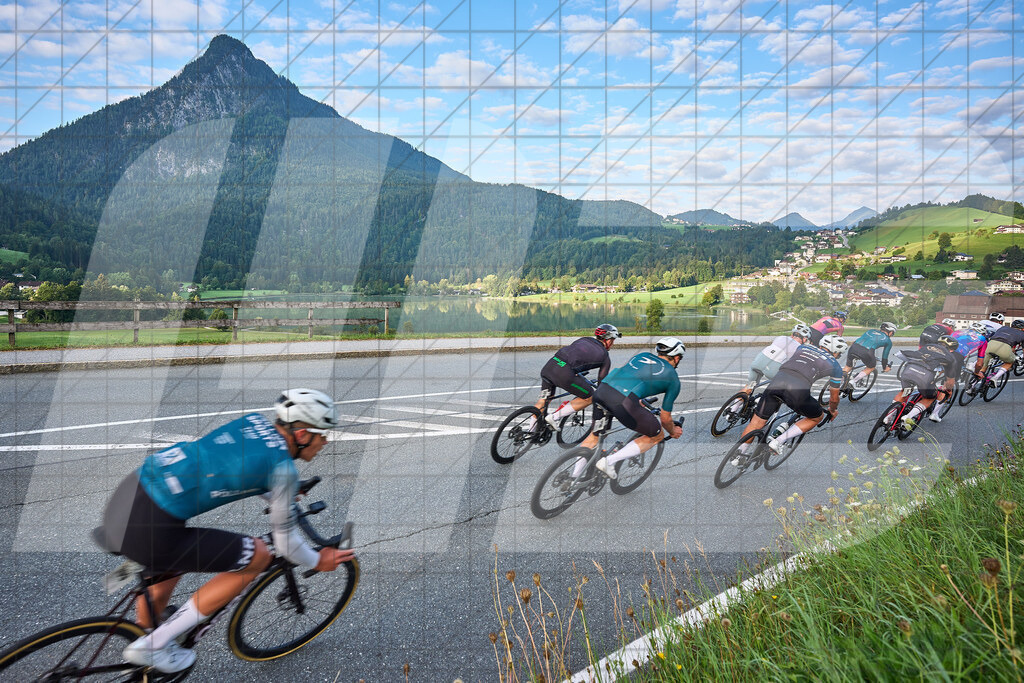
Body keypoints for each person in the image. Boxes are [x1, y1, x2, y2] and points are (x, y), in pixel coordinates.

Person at [101, 389, 353, 673]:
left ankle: (144, 635)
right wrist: (320, 561)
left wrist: (280, 495)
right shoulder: (283, 470)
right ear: (302, 434)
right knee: (257, 555)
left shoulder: (253, 422)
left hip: (130, 496)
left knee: (171, 559)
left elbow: (232, 465)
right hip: (152, 527)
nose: (325, 441)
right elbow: (286, 545)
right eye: (322, 434)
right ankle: (151, 647)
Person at [573, 337, 685, 479]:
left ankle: (574, 478)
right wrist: (673, 431)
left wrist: (636, 399)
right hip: (623, 401)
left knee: (594, 435)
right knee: (657, 435)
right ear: (676, 357)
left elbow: (632, 378)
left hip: (602, 391)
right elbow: (665, 418)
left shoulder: (642, 356)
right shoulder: (674, 379)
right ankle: (609, 461)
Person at [736, 333, 847, 458]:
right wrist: (832, 410)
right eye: (839, 354)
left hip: (776, 383)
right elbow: (833, 398)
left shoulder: (803, 347)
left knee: (756, 423)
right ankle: (778, 441)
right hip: (798, 391)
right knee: (816, 417)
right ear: (836, 352)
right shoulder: (835, 365)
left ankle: (738, 455)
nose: (839, 356)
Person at [532, 324, 621, 430]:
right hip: (564, 373)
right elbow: (602, 382)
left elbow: (575, 356)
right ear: (609, 340)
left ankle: (530, 433)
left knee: (544, 399)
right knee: (589, 397)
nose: (612, 343)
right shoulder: (605, 356)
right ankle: (554, 417)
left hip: (550, 365)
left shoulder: (584, 339)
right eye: (613, 340)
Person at [894, 335, 963, 427]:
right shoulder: (950, 357)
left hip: (908, 370)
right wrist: (948, 390)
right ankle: (908, 417)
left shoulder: (927, 346)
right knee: (930, 397)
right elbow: (950, 381)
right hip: (924, 375)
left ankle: (888, 417)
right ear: (952, 349)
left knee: (904, 392)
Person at [738, 323, 812, 397]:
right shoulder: (799, 348)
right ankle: (760, 401)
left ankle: (732, 407)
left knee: (749, 387)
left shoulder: (781, 337)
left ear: (792, 335)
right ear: (805, 339)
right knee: (782, 389)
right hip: (771, 371)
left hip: (756, 364)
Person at [843, 322, 896, 386]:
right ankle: (853, 381)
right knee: (871, 367)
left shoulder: (871, 330)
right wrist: (884, 368)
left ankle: (836, 382)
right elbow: (884, 357)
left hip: (853, 347)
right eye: (892, 334)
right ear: (890, 332)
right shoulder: (888, 341)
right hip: (867, 351)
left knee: (848, 367)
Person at [979, 319, 1024, 387]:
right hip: (1005, 348)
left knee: (984, 366)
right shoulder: (1022, 334)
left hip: (990, 345)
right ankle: (995, 377)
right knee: (1010, 362)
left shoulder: (1003, 328)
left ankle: (971, 386)